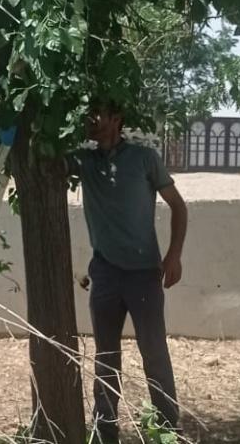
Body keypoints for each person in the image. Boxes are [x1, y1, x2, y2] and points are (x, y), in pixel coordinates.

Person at [67, 100, 188, 443]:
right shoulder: (83, 161)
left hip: (144, 274)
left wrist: (174, 255)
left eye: (97, 113)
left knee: (154, 352)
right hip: (104, 273)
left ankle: (168, 427)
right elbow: (46, 158)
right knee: (106, 356)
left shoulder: (144, 158)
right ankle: (105, 430)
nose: (90, 119)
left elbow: (178, 206)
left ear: (116, 118)